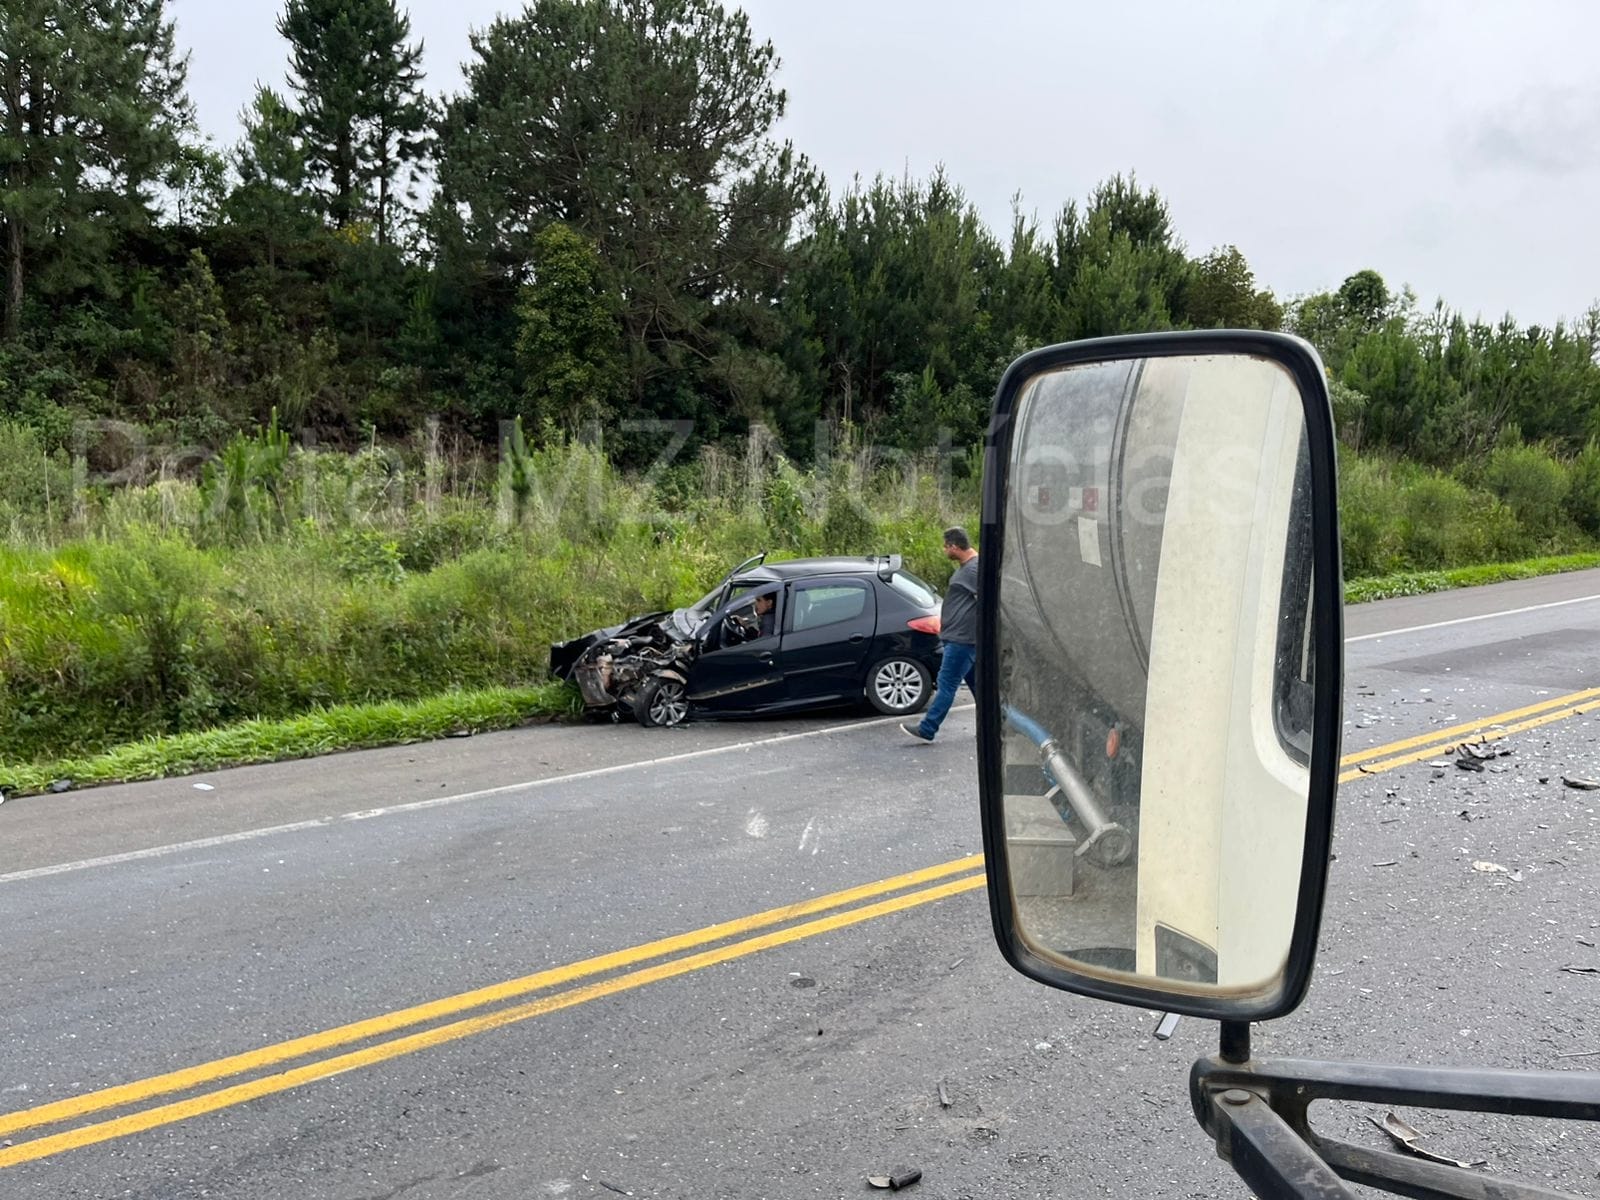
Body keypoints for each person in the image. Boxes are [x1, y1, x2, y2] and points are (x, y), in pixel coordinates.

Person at [903, 527, 978, 743]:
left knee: (946, 685)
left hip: (962, 640)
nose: (944, 550)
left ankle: (928, 728)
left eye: (946, 546)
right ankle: (996, 725)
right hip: (962, 638)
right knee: (977, 687)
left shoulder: (974, 569)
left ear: (954, 546)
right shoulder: (968, 567)